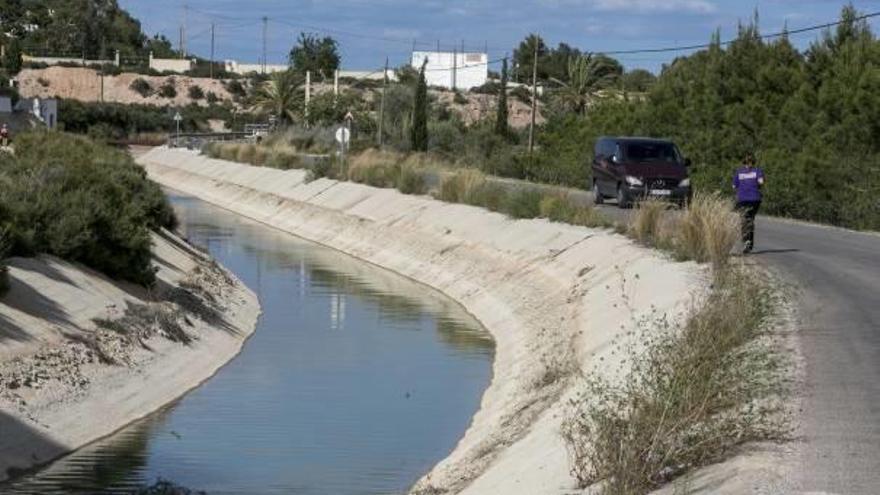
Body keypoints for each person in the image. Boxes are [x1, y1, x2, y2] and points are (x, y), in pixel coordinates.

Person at [733, 153, 765, 253]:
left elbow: (734, 186)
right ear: (753, 162)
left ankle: (746, 241)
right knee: (750, 219)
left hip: (742, 199)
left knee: (744, 220)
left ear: (744, 162)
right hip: (755, 199)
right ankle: (749, 243)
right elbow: (761, 182)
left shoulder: (739, 172)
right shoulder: (757, 171)